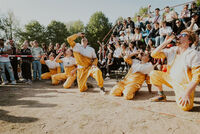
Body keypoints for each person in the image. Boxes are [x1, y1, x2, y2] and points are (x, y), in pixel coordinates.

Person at [150, 29, 200, 111]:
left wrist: (186, 93)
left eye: (184, 35)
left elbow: (196, 78)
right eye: (180, 34)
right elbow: (153, 54)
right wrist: (165, 42)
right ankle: (161, 95)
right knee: (153, 73)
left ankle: (186, 94)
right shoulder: (173, 50)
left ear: (189, 41)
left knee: (186, 107)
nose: (180, 36)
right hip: (170, 79)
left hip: (183, 85)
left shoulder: (194, 54)